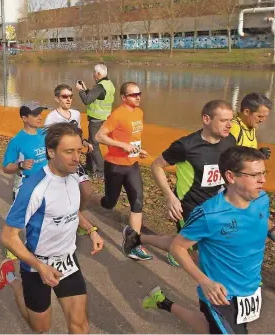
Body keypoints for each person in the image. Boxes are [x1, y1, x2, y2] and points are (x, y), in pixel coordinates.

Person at [143, 146, 274, 334]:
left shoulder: (261, 198)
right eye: (254, 175)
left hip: (251, 289)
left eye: (263, 173)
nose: (263, 180)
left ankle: (163, 303)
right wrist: (204, 282)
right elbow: (177, 247)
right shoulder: (209, 214)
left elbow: (263, 220)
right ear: (231, 176)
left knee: (210, 328)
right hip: (220, 295)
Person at [0, 122, 104, 334]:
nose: (76, 158)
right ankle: (11, 279)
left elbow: (69, 210)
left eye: (78, 151)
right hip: (37, 266)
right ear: (51, 152)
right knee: (40, 327)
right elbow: (8, 236)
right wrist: (40, 266)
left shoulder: (73, 176)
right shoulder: (34, 188)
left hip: (67, 261)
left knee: (80, 326)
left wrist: (91, 230)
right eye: (69, 152)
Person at [124, 100, 237, 267]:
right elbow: (156, 166)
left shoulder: (230, 141)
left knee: (185, 246)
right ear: (206, 119)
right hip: (190, 207)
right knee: (201, 259)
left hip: (218, 205)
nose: (229, 125)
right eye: (223, 120)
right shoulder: (186, 146)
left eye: (231, 120)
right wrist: (170, 197)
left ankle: (136, 237)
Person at [94, 81, 151, 261]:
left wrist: (137, 150)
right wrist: (122, 145)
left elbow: (132, 138)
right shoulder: (117, 115)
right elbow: (98, 136)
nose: (137, 97)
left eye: (139, 93)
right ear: (123, 97)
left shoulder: (140, 113)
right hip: (115, 165)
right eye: (133, 94)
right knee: (109, 203)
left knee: (138, 202)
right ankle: (87, 196)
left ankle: (133, 244)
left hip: (132, 164)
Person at [2, 102, 49, 261]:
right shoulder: (17, 141)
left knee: (39, 220)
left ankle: (35, 250)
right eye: (35, 114)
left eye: (40, 113)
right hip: (24, 185)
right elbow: (6, 167)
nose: (39, 117)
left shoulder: (43, 134)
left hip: (45, 183)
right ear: (24, 118)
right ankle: (11, 244)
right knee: (20, 220)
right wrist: (20, 165)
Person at [44, 84, 93, 212]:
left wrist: (85, 143)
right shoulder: (51, 118)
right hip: (59, 161)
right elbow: (48, 143)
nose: (68, 99)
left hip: (75, 159)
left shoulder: (76, 114)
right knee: (62, 194)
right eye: (65, 96)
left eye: (71, 96)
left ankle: (77, 216)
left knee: (87, 191)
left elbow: (79, 135)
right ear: (57, 99)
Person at [76, 63, 115, 177]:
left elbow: (87, 100)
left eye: (94, 73)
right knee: (91, 143)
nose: (93, 75)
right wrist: (86, 89)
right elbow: (96, 97)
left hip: (96, 120)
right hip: (105, 119)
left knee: (94, 145)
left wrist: (80, 90)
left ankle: (100, 171)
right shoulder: (109, 84)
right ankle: (89, 167)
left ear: (98, 73)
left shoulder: (99, 86)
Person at [230, 93, 272, 158]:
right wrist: (257, 154)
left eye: (265, 117)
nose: (262, 120)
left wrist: (257, 153)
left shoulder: (250, 124)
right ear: (246, 112)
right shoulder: (234, 128)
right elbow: (228, 157)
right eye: (259, 116)